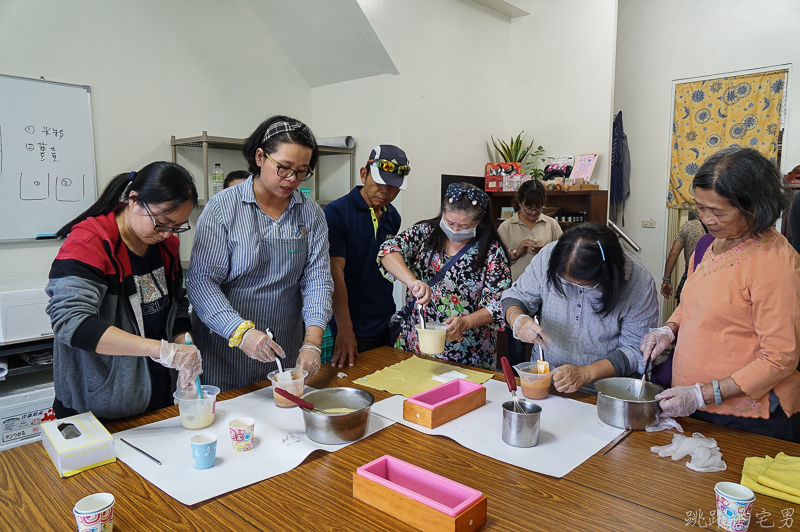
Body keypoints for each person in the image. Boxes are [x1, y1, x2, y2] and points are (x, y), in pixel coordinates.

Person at [641, 147, 800, 442]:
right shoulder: (707, 245)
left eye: (718, 211)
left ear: (754, 207)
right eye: (700, 208)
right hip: (694, 400)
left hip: (745, 416)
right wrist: (669, 329)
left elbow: (780, 359)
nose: (706, 219)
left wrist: (703, 394)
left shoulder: (775, 263)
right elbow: (692, 302)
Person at [45, 162, 202, 420]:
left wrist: (183, 344)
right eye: (161, 223)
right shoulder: (90, 243)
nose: (167, 234)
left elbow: (178, 305)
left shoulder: (165, 246)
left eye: (177, 226)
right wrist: (161, 350)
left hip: (157, 398)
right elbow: (72, 323)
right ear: (133, 200)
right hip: (100, 405)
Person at [186, 116, 333, 391]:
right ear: (260, 156)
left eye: (302, 171)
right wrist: (240, 332)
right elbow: (201, 282)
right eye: (284, 168)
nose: (292, 179)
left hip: (284, 352)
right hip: (225, 351)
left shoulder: (310, 213)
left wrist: (312, 342)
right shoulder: (223, 208)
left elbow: (318, 280)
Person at [501, 222, 658, 393]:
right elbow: (516, 296)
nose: (571, 288)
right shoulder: (550, 255)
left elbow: (637, 350)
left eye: (582, 286)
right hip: (547, 382)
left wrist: (586, 373)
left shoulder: (639, 282)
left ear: (607, 277)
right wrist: (517, 318)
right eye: (565, 282)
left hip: (606, 393)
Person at [378, 183, 511, 369]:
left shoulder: (491, 252)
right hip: (416, 342)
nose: (455, 230)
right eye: (449, 223)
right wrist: (412, 281)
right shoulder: (425, 233)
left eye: (464, 226)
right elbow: (388, 251)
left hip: (467, 350)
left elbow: (498, 303)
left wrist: (466, 322)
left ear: (479, 221)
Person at [325, 145, 409, 368]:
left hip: (386, 320)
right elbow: (335, 273)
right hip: (353, 325)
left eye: (393, 187)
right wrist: (344, 330)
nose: (385, 192)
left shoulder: (393, 217)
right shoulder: (336, 213)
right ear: (364, 174)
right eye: (380, 182)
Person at [497, 179, 562, 365]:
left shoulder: (551, 224)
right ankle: (517, 381)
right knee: (517, 342)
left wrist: (548, 251)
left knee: (546, 337)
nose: (534, 213)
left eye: (539, 208)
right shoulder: (507, 226)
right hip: (518, 290)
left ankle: (544, 376)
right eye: (528, 209)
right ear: (519, 203)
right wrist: (518, 251)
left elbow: (565, 255)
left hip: (547, 291)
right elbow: (498, 261)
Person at [659, 211, 708, 302]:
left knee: (684, 310)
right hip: (712, 277)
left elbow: (673, 254)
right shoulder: (721, 228)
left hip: (690, 276)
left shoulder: (688, 226)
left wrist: (666, 280)